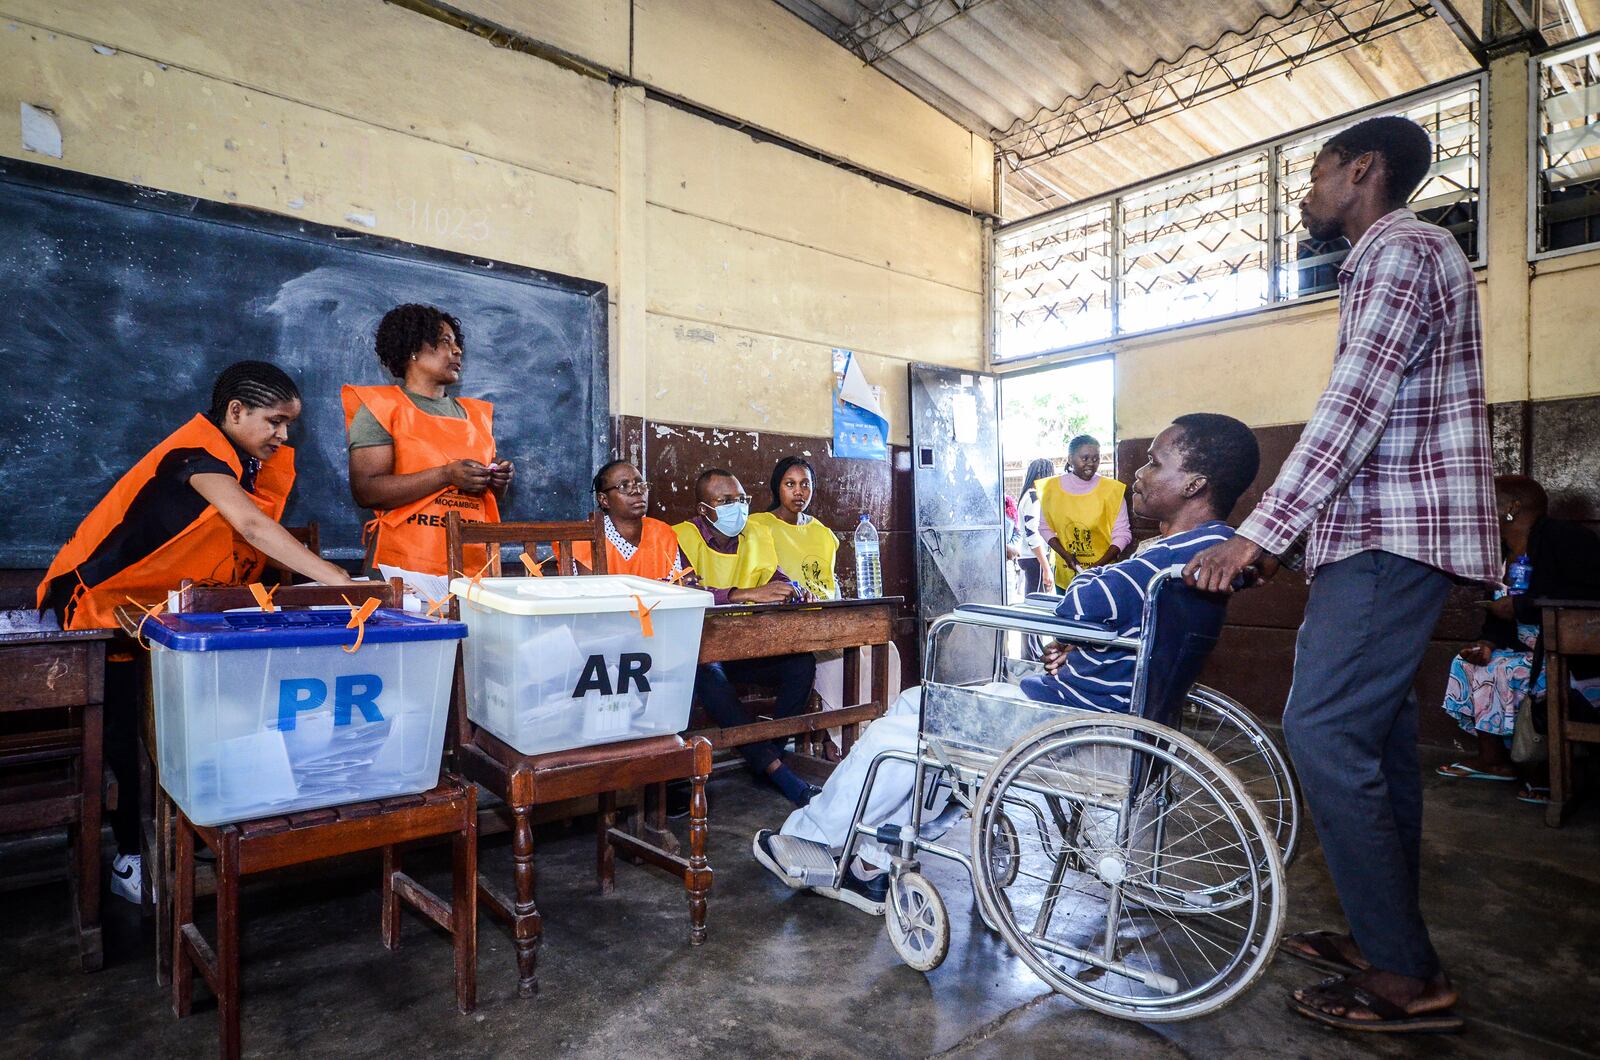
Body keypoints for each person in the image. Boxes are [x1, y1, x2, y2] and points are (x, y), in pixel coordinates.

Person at [1184, 116, 1497, 1033]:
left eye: (1317, 176)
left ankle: (1406, 979)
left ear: (1363, 170)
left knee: (1320, 733)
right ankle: (1384, 934)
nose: (1308, 195)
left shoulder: (1399, 251)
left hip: (1388, 539)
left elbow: (1350, 412)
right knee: (1376, 742)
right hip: (1380, 536)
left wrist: (1258, 536)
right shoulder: (1400, 259)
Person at [754, 413, 1260, 913]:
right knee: (912, 703)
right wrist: (1079, 639)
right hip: (1106, 705)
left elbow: (1082, 599)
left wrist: (1075, 626)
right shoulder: (1214, 549)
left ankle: (818, 839)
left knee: (899, 737)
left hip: (1073, 720)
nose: (1139, 475)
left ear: (1195, 483)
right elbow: (1113, 617)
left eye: (1154, 463)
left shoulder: (1172, 557)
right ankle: (876, 845)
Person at [37, 361, 356, 902]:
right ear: (235, 412)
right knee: (123, 730)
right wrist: (340, 582)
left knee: (197, 721)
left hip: (165, 614)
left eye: (289, 427)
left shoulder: (244, 463)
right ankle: (131, 859)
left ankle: (204, 830)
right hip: (102, 608)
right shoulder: (196, 457)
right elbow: (252, 526)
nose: (283, 436)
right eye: (275, 422)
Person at [1436, 475, 1600, 796]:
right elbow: (1499, 613)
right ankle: (1494, 761)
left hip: (1570, 655)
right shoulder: (1501, 552)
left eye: (1486, 500)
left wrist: (1523, 606)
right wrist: (1487, 643)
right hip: (1526, 649)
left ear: (1511, 507)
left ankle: (1548, 772)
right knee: (1473, 664)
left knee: (1520, 672)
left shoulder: (1565, 539)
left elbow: (1587, 593)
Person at [344, 304, 512, 597]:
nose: (457, 351)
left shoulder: (476, 414)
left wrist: (495, 482)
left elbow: (481, 500)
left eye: (456, 342)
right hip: (402, 568)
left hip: (471, 567)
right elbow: (366, 490)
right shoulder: (382, 407)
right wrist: (447, 474)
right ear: (412, 349)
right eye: (445, 341)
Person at [675, 468, 819, 806]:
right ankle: (777, 772)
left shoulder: (755, 534)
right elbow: (683, 592)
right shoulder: (681, 537)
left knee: (800, 663)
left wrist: (795, 591)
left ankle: (766, 756)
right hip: (699, 652)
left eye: (741, 499)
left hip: (743, 648)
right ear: (703, 510)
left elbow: (776, 579)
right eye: (725, 501)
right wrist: (743, 594)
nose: (736, 507)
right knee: (708, 674)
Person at [1037, 434, 1131, 590]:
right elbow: (1044, 528)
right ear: (1070, 459)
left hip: (1103, 574)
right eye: (1085, 458)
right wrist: (1065, 555)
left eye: (1095, 459)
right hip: (1066, 576)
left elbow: (1123, 534)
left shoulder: (1112, 491)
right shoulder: (1051, 490)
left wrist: (1097, 566)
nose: (1091, 464)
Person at [747, 456, 838, 600]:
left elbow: (831, 586)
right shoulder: (756, 525)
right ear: (777, 487)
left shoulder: (823, 533)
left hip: (822, 612)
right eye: (790, 484)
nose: (798, 491)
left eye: (805, 484)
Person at [585, 459, 691, 580]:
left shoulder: (662, 533)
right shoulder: (587, 537)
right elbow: (591, 593)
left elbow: (678, 588)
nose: (637, 491)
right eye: (624, 486)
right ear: (604, 500)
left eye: (641, 485)